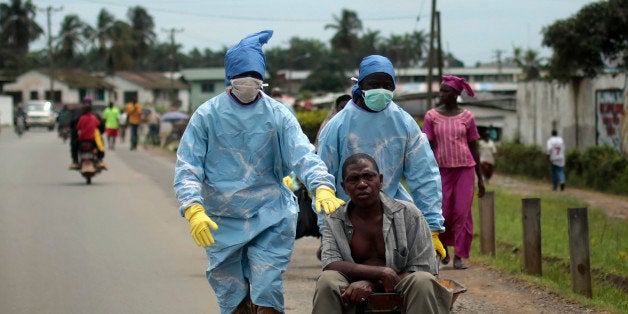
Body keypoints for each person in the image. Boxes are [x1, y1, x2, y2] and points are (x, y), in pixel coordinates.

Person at [173, 30, 345, 314]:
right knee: (232, 297)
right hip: (221, 219)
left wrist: (321, 186)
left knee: (266, 290)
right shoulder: (206, 115)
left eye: (254, 73)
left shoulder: (277, 114)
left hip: (270, 215)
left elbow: (302, 154)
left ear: (262, 76)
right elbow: (188, 166)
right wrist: (193, 208)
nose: (248, 80)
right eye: (242, 74)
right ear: (230, 76)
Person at [316, 55, 447, 262]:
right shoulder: (338, 126)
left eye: (387, 85)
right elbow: (323, 176)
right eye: (374, 84)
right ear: (360, 85)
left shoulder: (404, 123)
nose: (381, 90)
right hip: (346, 216)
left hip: (394, 214)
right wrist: (326, 228)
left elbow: (425, 174)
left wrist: (431, 226)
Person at [313, 153, 452, 313]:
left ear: (380, 180)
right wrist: (381, 272)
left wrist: (372, 283)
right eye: (354, 179)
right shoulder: (334, 219)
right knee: (327, 280)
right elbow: (331, 263)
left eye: (368, 176)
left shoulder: (409, 213)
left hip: (400, 284)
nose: (362, 184)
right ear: (344, 187)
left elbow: (424, 266)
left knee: (423, 280)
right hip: (351, 287)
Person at [422, 75, 485, 270]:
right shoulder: (431, 116)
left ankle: (459, 255)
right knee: (443, 212)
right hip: (440, 170)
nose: (442, 94)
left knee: (462, 212)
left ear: (456, 94)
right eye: (440, 91)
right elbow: (427, 146)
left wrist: (480, 178)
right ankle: (443, 251)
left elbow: (474, 146)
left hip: (465, 169)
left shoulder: (467, 117)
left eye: (446, 91)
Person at [75, 98, 107, 169]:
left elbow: (77, 127)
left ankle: (76, 161)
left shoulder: (81, 117)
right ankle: (100, 160)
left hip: (82, 139)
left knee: (75, 146)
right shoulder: (94, 117)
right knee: (100, 146)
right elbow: (100, 125)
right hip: (92, 139)